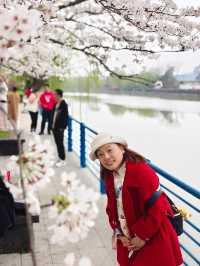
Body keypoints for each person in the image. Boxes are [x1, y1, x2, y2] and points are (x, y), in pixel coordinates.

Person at [89, 133, 183, 266]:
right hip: (128, 240)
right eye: (100, 154)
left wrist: (142, 236)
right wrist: (118, 232)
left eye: (110, 150)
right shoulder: (110, 176)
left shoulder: (142, 171)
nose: (106, 157)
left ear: (122, 148)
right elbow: (111, 208)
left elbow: (159, 207)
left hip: (153, 238)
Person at [52, 89, 68, 167]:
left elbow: (65, 117)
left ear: (58, 95)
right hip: (54, 127)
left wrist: (63, 127)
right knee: (57, 143)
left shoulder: (63, 104)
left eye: (55, 94)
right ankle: (60, 157)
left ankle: (63, 160)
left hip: (60, 128)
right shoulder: (56, 104)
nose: (53, 96)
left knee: (60, 143)